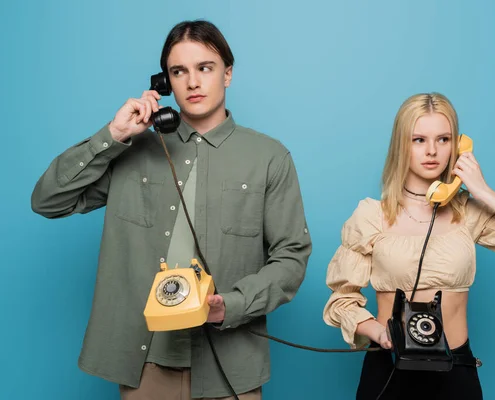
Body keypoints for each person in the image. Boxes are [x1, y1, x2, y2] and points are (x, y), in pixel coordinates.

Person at [31, 19, 312, 400]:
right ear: (164, 82)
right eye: (179, 71)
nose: (192, 82)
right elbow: (48, 200)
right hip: (144, 362)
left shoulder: (269, 157)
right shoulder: (134, 150)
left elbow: (291, 256)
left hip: (229, 363)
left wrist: (231, 306)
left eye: (205, 68)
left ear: (227, 74)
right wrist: (111, 137)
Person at [322, 92, 495, 399]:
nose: (432, 151)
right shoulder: (371, 215)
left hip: (456, 368)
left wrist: (482, 191)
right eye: (418, 140)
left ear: (457, 145)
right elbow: (341, 299)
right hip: (389, 365)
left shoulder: (467, 211)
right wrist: (378, 332)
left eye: (443, 139)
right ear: (401, 145)